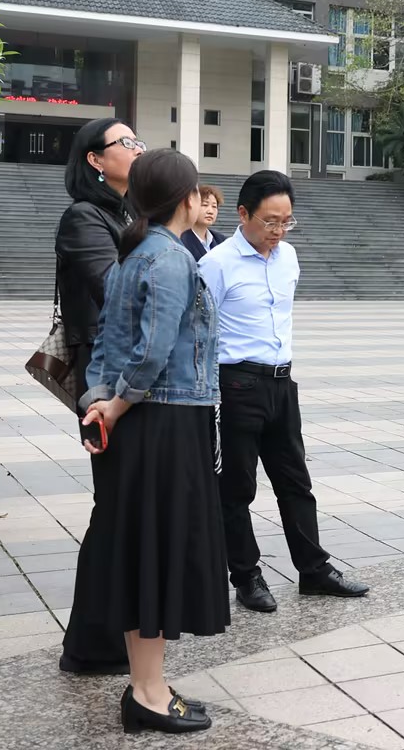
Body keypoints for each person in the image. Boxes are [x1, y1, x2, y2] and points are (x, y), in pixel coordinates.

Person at [76, 149, 226, 734]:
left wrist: (101, 402)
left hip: (142, 424)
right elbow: (153, 350)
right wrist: (116, 404)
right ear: (188, 197)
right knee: (158, 555)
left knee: (145, 557)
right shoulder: (169, 258)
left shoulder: (132, 254)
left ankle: (150, 686)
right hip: (165, 421)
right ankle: (146, 691)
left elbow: (106, 343)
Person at [200, 171, 368, 614]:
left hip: (281, 383)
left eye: (286, 221)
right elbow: (198, 329)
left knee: (296, 482)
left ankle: (313, 570)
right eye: (270, 221)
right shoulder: (217, 264)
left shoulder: (288, 257)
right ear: (243, 214)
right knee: (237, 488)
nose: (278, 231)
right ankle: (246, 576)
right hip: (236, 385)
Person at [58, 117, 143, 676]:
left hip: (130, 374)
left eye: (138, 141)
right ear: (96, 159)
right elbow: (117, 291)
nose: (137, 149)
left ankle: (115, 633)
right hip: (105, 380)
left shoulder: (129, 214)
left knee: (125, 506)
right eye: (126, 143)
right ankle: (90, 644)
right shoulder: (85, 217)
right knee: (114, 505)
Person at [180, 184, 228, 260]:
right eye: (205, 205)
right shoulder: (181, 240)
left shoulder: (222, 241)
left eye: (214, 206)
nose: (210, 211)